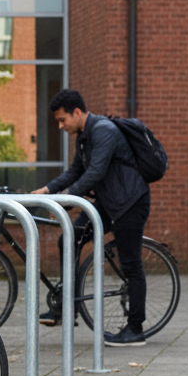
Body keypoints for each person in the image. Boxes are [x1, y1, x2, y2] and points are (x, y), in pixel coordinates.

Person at [31, 87, 150, 347]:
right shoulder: (84, 135)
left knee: (131, 265)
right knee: (69, 238)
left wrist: (67, 197)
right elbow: (76, 170)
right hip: (108, 204)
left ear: (77, 112)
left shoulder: (103, 131)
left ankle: (135, 329)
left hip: (130, 203)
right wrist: (48, 189)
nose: (61, 126)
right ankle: (67, 306)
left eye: (63, 120)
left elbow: (95, 173)